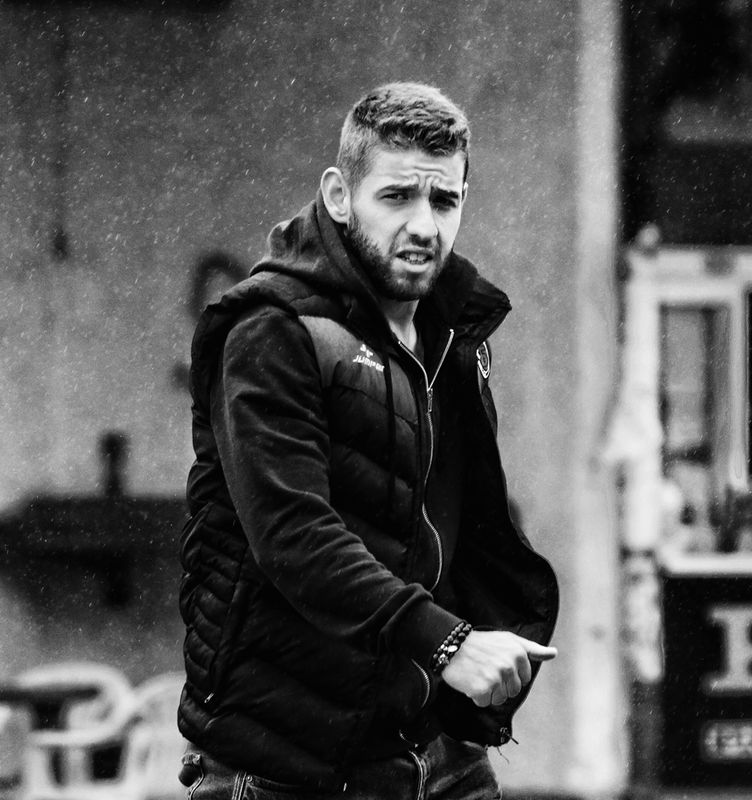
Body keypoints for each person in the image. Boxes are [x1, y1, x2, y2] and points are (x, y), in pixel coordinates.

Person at [178, 81, 559, 800]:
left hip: (433, 749)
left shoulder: (453, 334)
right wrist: (447, 642)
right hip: (287, 761)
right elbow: (293, 534)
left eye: (444, 201)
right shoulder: (273, 330)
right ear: (339, 195)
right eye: (397, 197)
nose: (424, 225)